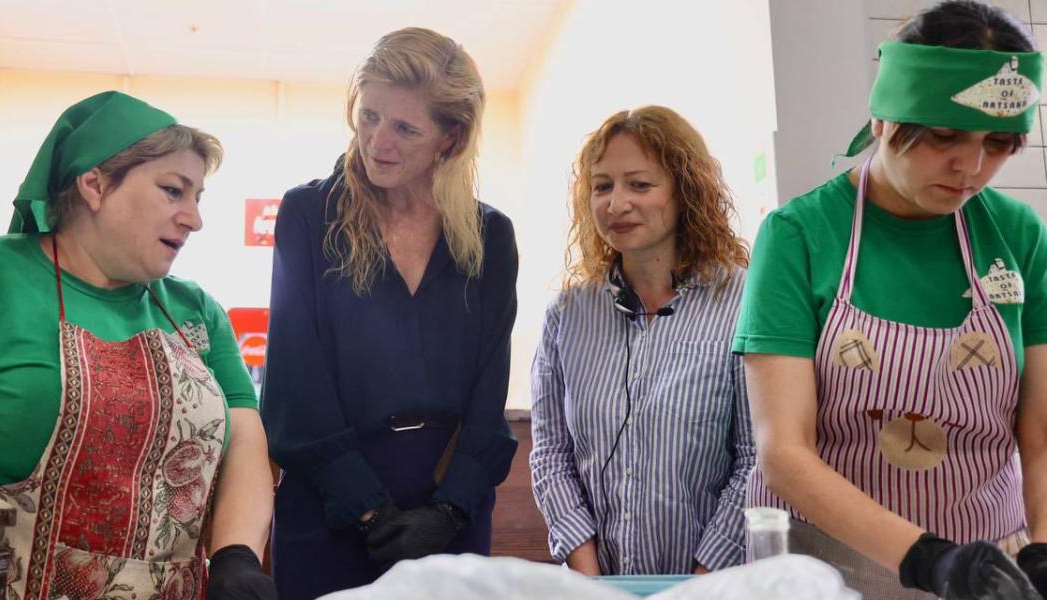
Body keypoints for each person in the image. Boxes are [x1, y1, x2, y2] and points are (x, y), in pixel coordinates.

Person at [0, 91, 276, 600]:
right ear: (94, 184)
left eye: (198, 198)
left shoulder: (195, 310)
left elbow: (244, 439)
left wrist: (235, 558)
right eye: (172, 191)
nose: (193, 218)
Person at [735, 1, 1047, 597]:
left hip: (987, 572)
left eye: (999, 143)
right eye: (944, 136)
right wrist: (930, 560)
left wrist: (1043, 547)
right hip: (830, 570)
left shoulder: (1019, 236)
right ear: (883, 117)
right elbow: (785, 452)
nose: (971, 167)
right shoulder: (798, 236)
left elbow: (1041, 433)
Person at [261, 27, 519, 600]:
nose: (378, 141)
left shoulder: (490, 237)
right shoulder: (308, 215)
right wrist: (369, 511)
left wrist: (450, 511)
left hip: (448, 503)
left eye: (405, 128)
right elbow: (294, 382)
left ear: (450, 138)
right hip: (330, 502)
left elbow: (488, 388)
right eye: (369, 116)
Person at [528, 106, 754, 576]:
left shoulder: (745, 302)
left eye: (640, 184)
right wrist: (590, 581)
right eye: (602, 186)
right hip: (597, 584)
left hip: (716, 586)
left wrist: (700, 583)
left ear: (684, 192)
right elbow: (550, 455)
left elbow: (757, 461)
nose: (616, 203)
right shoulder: (567, 315)